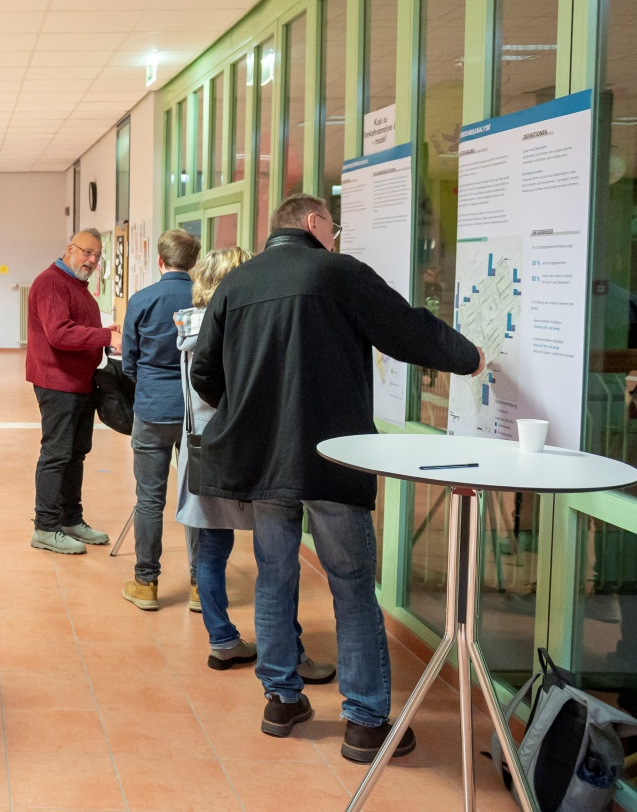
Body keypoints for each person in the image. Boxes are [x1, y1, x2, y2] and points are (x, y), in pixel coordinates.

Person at [190, 194, 483, 762]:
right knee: (351, 585)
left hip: (264, 463)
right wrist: (468, 357)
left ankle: (280, 700)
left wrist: (252, 410)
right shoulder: (338, 273)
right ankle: (366, 721)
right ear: (312, 222)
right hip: (333, 458)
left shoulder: (236, 283)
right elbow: (406, 329)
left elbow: (205, 371)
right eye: (333, 226)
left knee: (275, 578)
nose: (335, 236)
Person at [174, 247, 337, 684]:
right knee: (277, 556)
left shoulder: (187, 325)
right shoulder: (234, 327)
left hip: (202, 452)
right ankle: (290, 653)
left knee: (210, 550)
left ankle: (223, 641)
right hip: (245, 450)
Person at [24, 228, 122, 554]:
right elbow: (59, 334)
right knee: (56, 455)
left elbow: (77, 328)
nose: (92, 260)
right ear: (70, 249)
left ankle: (70, 519)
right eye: (86, 252)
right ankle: (45, 527)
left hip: (79, 382)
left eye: (97, 255)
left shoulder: (78, 287)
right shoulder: (52, 283)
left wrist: (104, 332)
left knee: (75, 455)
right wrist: (106, 339)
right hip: (58, 383)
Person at [120, 228, 202, 611]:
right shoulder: (206, 300)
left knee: (149, 498)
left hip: (152, 406)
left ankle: (146, 583)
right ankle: (202, 586)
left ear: (160, 260)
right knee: (197, 496)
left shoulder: (142, 300)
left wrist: (149, 381)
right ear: (194, 262)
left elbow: (129, 360)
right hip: (194, 410)